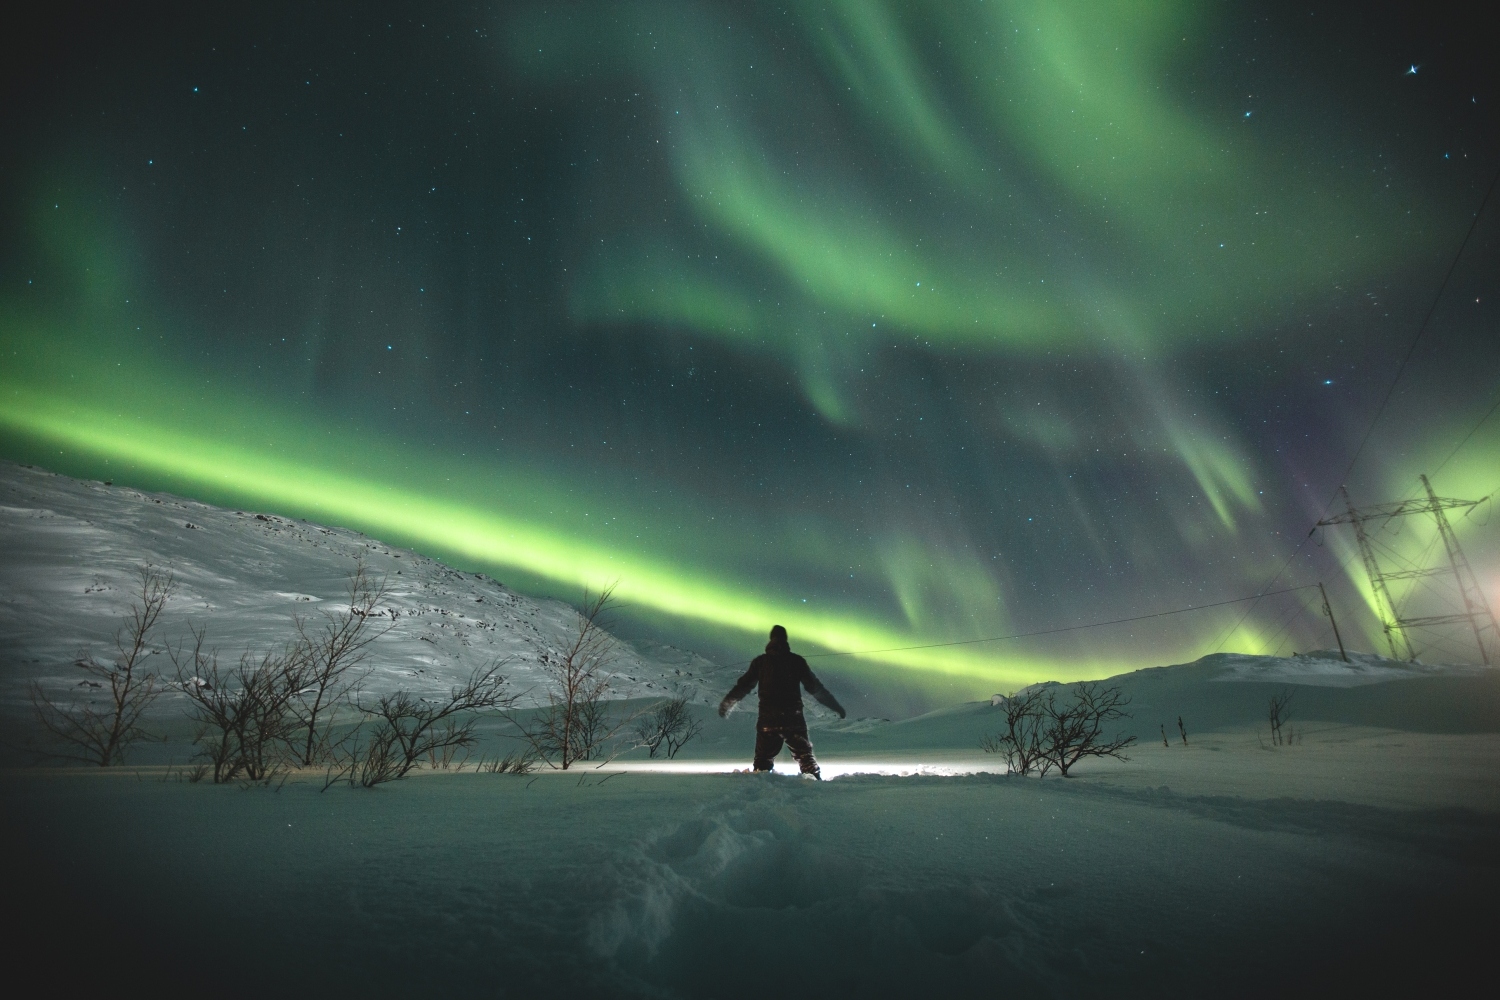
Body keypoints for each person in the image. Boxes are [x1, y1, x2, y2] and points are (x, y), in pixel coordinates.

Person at [718, 624, 845, 779]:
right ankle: (814, 790)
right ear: (786, 640)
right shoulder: (796, 661)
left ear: (771, 640)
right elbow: (815, 688)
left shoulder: (761, 662)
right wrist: (835, 706)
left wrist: (727, 704)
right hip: (794, 720)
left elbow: (743, 686)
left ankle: (761, 795)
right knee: (806, 760)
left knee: (762, 764)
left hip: (767, 720)